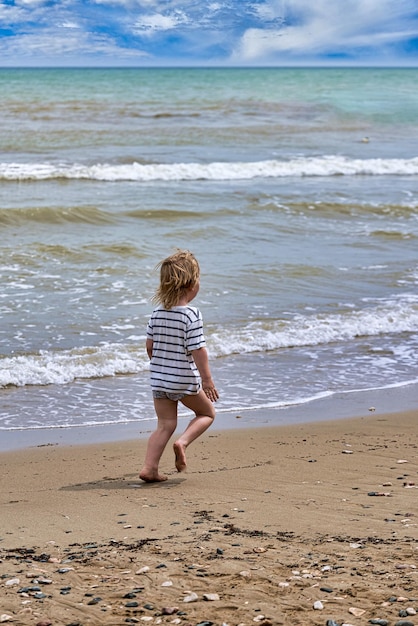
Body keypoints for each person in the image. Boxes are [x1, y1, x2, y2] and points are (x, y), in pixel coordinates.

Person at [139, 250, 219, 483]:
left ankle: (149, 468)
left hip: (159, 379)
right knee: (206, 413)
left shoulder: (156, 313)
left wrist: (161, 367)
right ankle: (182, 442)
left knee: (165, 424)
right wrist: (207, 380)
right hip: (184, 378)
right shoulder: (191, 314)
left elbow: (150, 347)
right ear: (191, 284)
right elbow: (198, 349)